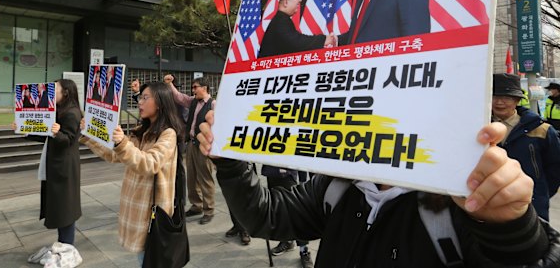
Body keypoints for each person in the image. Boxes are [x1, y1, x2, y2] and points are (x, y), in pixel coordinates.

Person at [196, 110, 560, 267]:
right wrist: (230, 162)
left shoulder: (463, 204)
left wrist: (512, 229)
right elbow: (265, 216)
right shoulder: (339, 185)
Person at [80, 82, 184, 265]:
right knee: (144, 259)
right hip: (136, 208)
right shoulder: (141, 131)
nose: (140, 103)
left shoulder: (168, 134)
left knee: (150, 260)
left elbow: (149, 164)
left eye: (145, 98)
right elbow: (114, 155)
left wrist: (122, 143)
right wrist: (90, 136)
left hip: (153, 214)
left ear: (160, 102)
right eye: (140, 98)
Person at [14, 79, 83, 267]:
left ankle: (68, 247)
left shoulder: (72, 113)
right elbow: (45, 131)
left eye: (56, 89)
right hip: (56, 164)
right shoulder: (58, 110)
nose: (52, 92)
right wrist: (24, 129)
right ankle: (64, 245)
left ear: (66, 92)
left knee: (65, 207)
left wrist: (56, 133)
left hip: (64, 167)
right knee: (60, 205)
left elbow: (68, 140)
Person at [491, 73, 560, 221]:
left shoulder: (542, 130)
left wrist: (540, 193)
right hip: (490, 204)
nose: (499, 102)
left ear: (517, 100)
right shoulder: (479, 129)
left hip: (532, 206)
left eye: (507, 97)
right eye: (495, 97)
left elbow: (555, 169)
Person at [167, 75, 216, 225]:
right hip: (191, 144)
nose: (193, 90)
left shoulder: (213, 104)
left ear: (204, 88)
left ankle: (209, 210)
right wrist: (169, 84)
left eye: (195, 87)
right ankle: (197, 205)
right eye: (193, 87)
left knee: (205, 177)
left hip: (204, 146)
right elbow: (178, 97)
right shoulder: (193, 101)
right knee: (192, 177)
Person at [258, 0, 336, 58]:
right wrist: (323, 40)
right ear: (286, 1)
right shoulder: (280, 21)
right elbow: (296, 42)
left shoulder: (281, 19)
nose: (300, 0)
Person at [261, 165, 313, 268]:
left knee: (296, 214)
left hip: (287, 173)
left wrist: (303, 179)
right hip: (271, 172)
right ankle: (287, 241)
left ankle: (304, 251)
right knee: (278, 211)